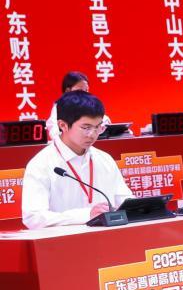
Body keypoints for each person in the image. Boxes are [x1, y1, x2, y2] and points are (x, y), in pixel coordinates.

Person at [22, 91, 133, 229]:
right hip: (63, 240)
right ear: (63, 125)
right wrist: (86, 215)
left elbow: (124, 200)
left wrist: (143, 207)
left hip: (108, 238)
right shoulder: (41, 164)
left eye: (98, 127)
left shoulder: (104, 159)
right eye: (86, 128)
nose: (92, 134)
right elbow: (33, 218)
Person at [45, 71, 108, 139]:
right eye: (80, 90)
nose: (84, 94)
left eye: (86, 90)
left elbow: (104, 119)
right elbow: (52, 126)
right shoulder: (60, 106)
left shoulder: (89, 104)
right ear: (68, 91)